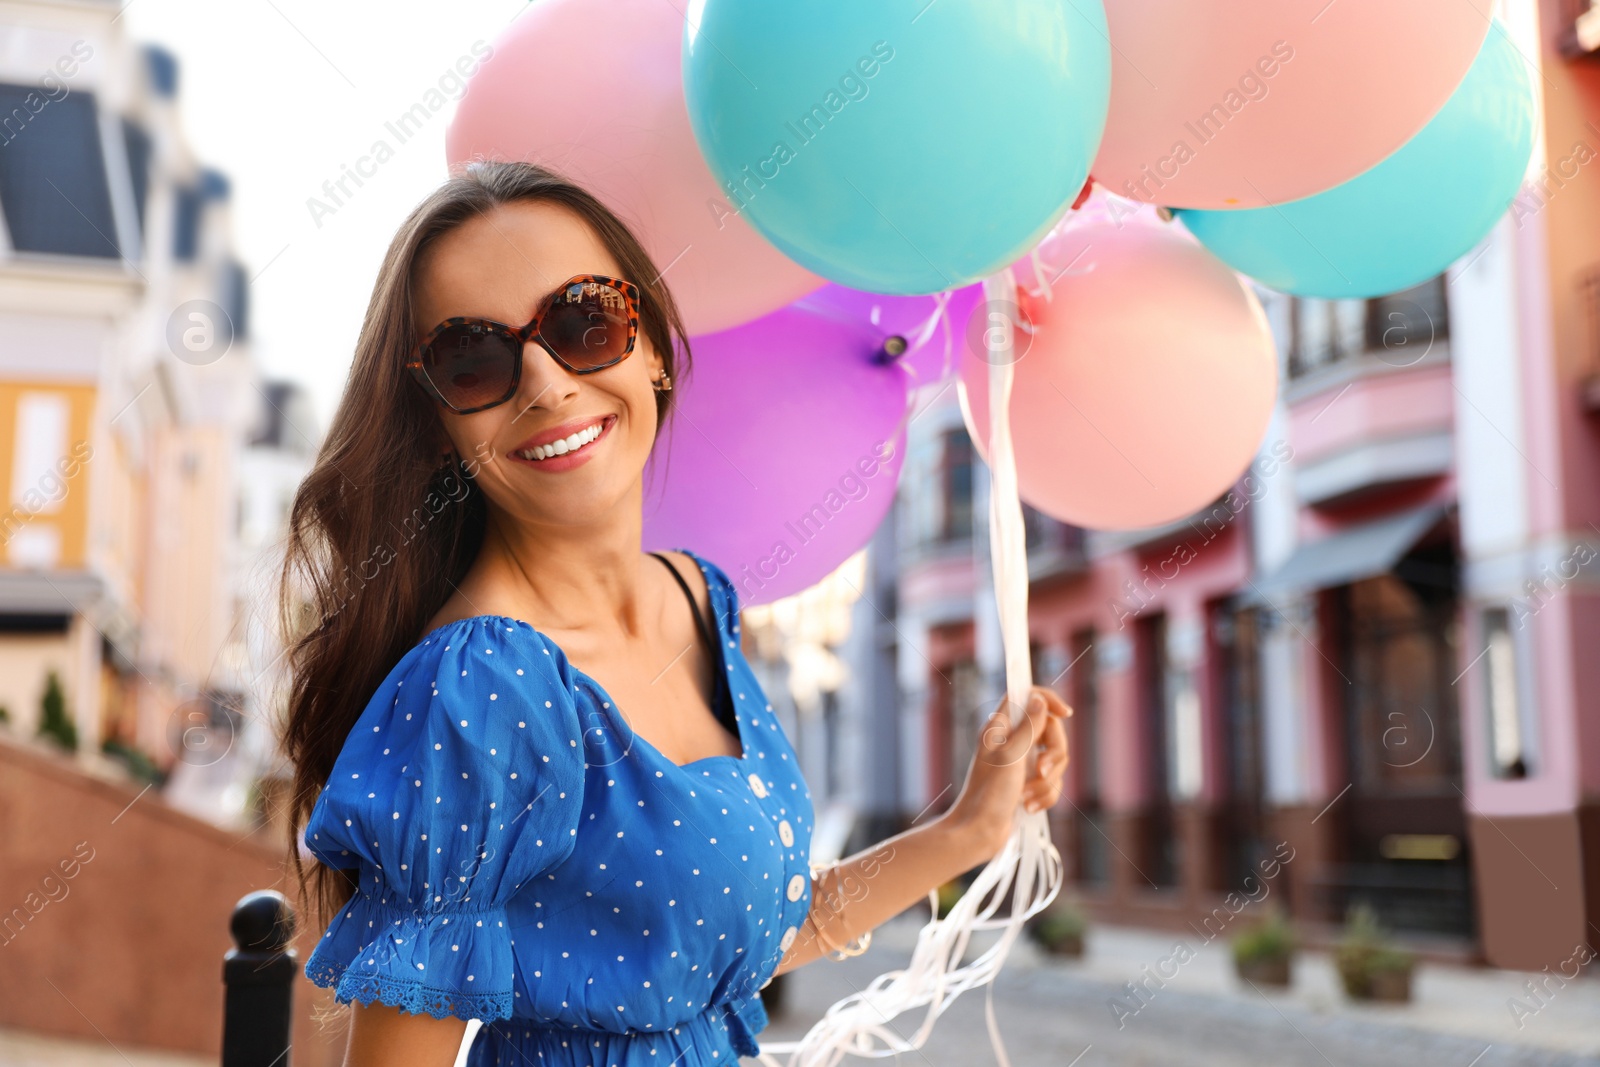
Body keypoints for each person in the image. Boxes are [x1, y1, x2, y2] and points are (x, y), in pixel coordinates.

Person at [278, 160, 1071, 1067]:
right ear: (441, 424)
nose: (543, 382)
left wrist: (971, 827)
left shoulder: (700, 599)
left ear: (650, 344)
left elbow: (745, 942)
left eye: (584, 320)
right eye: (474, 358)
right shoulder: (480, 688)